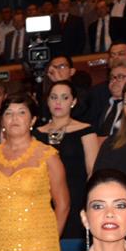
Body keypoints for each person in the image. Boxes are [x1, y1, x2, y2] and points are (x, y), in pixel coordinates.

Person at [0, 94, 69, 251]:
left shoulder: (47, 155)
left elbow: (63, 205)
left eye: (21, 112)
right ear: (2, 121)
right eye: (8, 113)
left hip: (39, 243)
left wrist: (50, 240)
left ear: (33, 120)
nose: (14, 118)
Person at [33, 81, 99, 240]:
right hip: (41, 201)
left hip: (76, 197)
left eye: (64, 97)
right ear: (47, 101)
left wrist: (90, 203)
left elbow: (93, 171)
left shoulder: (85, 130)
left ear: (73, 102)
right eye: (53, 97)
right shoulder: (36, 134)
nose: (58, 102)